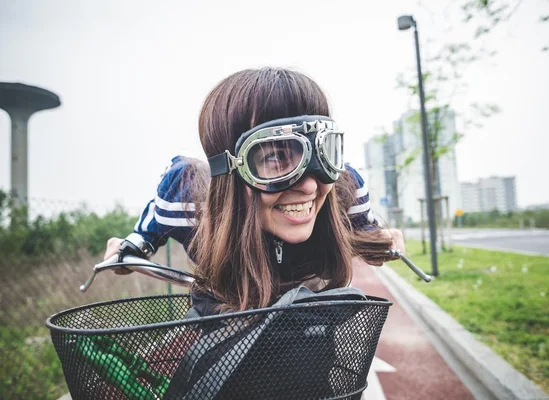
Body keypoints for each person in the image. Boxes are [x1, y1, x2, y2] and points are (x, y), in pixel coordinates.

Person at [105, 67, 405, 314]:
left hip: (311, 321)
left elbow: (368, 229)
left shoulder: (344, 190)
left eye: (322, 153)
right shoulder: (185, 198)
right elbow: (144, 235)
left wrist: (379, 241)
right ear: (228, 169)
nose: (311, 185)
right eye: (275, 157)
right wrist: (130, 249)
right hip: (221, 318)